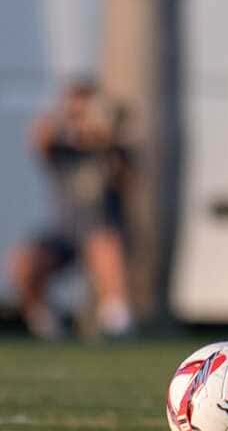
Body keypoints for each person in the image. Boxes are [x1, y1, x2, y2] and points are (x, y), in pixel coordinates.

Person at [6, 78, 135, 340]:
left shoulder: (112, 151)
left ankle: (116, 321)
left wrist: (105, 137)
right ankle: (44, 322)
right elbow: (38, 138)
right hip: (65, 234)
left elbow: (128, 182)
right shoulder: (62, 149)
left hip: (100, 230)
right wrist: (70, 118)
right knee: (23, 262)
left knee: (105, 244)